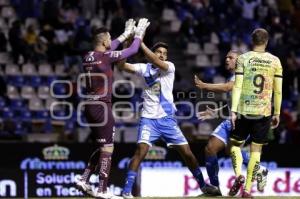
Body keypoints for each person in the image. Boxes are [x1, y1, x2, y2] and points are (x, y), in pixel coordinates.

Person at [117, 41, 220, 198]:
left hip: (167, 120)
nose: (162, 55)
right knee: (140, 152)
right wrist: (126, 46)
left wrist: (140, 41)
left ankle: (203, 186)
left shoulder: (169, 67)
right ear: (153, 52)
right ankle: (126, 192)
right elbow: (121, 66)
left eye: (164, 53)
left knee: (188, 154)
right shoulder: (144, 68)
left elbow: (156, 61)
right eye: (159, 52)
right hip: (148, 120)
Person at [75, 18, 150, 199]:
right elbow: (131, 50)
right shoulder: (106, 57)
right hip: (102, 107)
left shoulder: (88, 56)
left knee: (101, 146)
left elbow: (111, 46)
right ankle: (102, 189)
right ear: (104, 42)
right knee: (108, 148)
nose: (111, 41)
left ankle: (84, 179)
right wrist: (138, 34)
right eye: (109, 39)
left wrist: (125, 34)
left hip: (89, 106)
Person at [194, 50, 268, 196]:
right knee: (211, 149)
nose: (227, 59)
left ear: (239, 60)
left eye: (231, 57)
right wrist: (216, 111)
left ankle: (256, 170)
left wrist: (205, 86)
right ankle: (216, 187)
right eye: (226, 56)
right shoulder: (233, 75)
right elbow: (232, 99)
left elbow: (228, 87)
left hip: (243, 121)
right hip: (230, 119)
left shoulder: (244, 73)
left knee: (231, 150)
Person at [229, 28, 282, 197]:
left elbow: (236, 86)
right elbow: (278, 91)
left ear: (252, 40)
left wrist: (233, 111)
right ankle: (247, 190)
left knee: (234, 146)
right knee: (256, 151)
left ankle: (239, 176)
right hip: (264, 112)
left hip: (245, 110)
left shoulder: (243, 58)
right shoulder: (275, 61)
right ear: (266, 41)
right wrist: (277, 113)